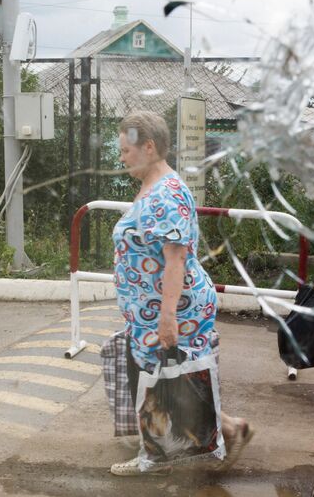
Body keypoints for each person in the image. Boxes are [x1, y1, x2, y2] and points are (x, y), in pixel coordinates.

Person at [109, 111, 253, 476]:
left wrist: (167, 316)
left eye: (126, 150)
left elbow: (176, 260)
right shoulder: (152, 187)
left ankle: (157, 456)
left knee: (168, 381)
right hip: (154, 309)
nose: (122, 156)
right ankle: (227, 430)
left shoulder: (166, 194)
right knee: (172, 379)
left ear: (149, 147)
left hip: (177, 308)